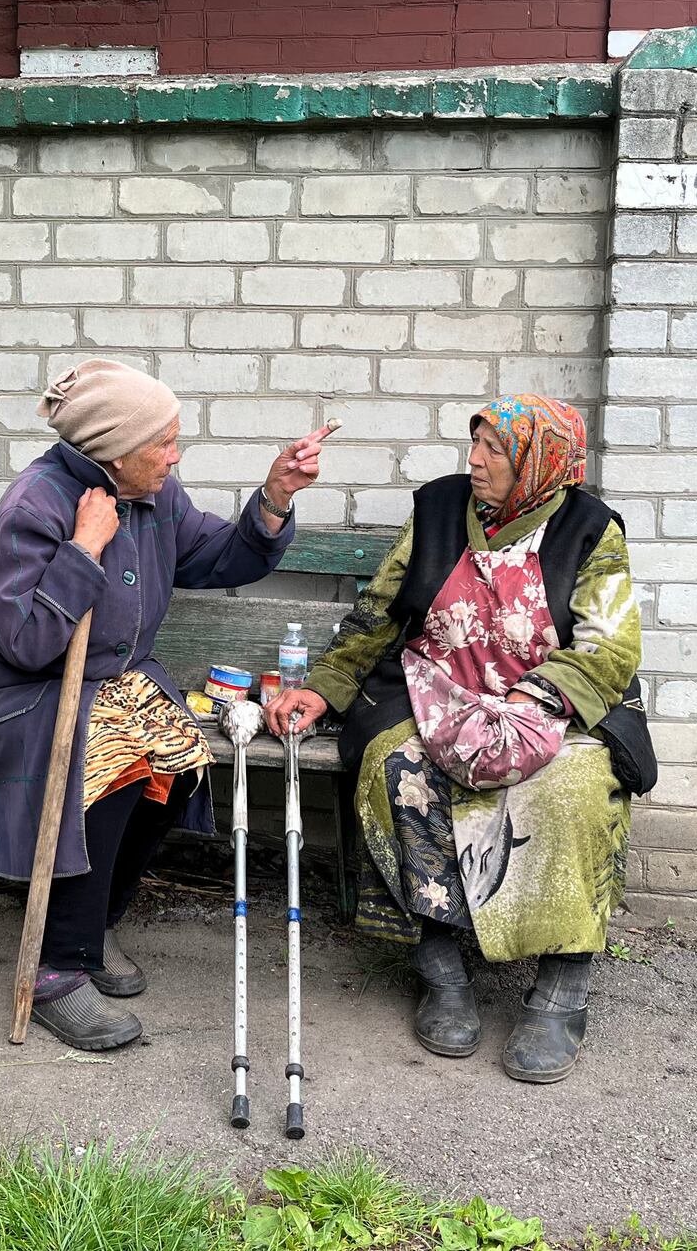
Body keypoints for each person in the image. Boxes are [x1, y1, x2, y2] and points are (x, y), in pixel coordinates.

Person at [0, 359, 331, 1051]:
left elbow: (221, 558)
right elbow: (25, 642)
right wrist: (83, 547)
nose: (175, 455)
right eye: (162, 442)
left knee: (179, 755)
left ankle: (96, 918)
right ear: (112, 450)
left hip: (99, 675)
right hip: (0, 686)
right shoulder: (37, 506)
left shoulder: (155, 494)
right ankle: (57, 969)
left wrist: (275, 498)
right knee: (110, 754)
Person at [267, 394, 655, 1084]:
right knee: (397, 767)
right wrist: (324, 687)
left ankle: (564, 981)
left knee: (572, 785)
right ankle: (439, 961)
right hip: (432, 692)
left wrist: (528, 702)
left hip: (548, 704)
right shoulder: (441, 509)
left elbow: (610, 644)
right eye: (473, 445)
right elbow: (380, 613)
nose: (474, 461)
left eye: (495, 451)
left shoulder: (590, 530)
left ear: (539, 463)